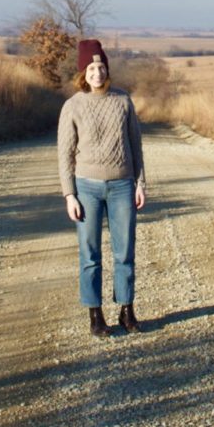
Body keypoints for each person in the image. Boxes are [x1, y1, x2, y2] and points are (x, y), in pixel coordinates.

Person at [57, 38, 146, 337]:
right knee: (90, 254)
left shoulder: (123, 101)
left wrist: (139, 183)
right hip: (87, 189)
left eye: (102, 67)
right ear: (84, 73)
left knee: (125, 252)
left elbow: (136, 145)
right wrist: (70, 194)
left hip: (122, 185)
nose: (98, 73)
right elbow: (65, 154)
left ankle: (127, 310)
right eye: (92, 68)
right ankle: (95, 315)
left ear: (108, 70)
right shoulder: (72, 106)